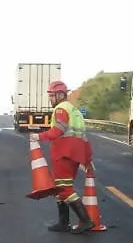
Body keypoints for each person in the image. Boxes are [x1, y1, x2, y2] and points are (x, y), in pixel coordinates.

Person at [37, 80, 95, 233]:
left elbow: (58, 130)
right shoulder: (74, 111)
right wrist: (88, 159)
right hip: (74, 155)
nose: (50, 99)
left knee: (64, 189)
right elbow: (84, 137)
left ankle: (86, 220)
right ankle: (63, 223)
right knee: (59, 188)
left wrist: (38, 136)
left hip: (63, 154)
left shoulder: (61, 109)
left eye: (52, 95)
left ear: (60, 95)